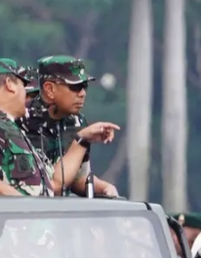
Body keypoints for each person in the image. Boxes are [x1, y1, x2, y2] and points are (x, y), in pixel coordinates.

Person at [0, 59, 115, 196]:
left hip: (45, 212)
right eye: (75, 86)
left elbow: (57, 183)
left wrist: (82, 140)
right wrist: (24, 205)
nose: (83, 93)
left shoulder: (76, 122)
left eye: (84, 86)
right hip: (18, 214)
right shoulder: (21, 119)